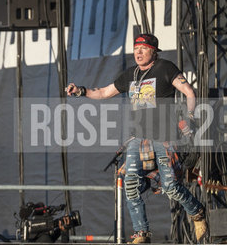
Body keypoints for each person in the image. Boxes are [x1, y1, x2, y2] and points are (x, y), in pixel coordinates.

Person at [65, 34, 207, 243]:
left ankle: (197, 212)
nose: (138, 52)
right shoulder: (130, 75)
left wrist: (190, 116)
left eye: (143, 48)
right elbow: (104, 93)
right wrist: (81, 91)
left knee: (170, 186)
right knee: (130, 184)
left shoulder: (165, 68)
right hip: (137, 140)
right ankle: (141, 232)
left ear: (153, 51)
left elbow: (189, 91)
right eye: (136, 48)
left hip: (164, 139)